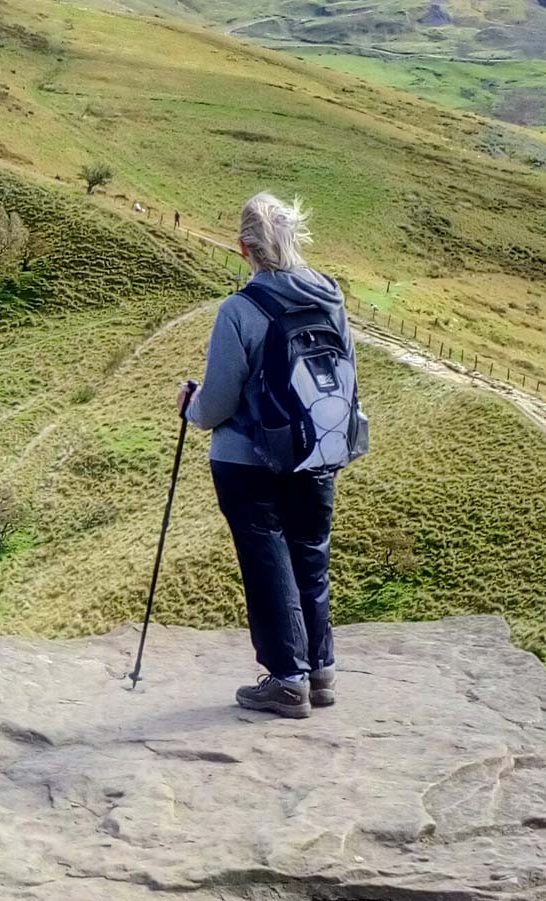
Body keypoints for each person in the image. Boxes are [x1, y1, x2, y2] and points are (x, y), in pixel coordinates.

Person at [181, 192, 354, 719]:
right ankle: (319, 671)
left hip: (247, 460)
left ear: (243, 249)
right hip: (317, 449)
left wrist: (190, 407)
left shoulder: (240, 310)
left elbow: (214, 406)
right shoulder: (330, 295)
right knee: (310, 552)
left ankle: (285, 680)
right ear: (295, 237)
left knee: (267, 561)